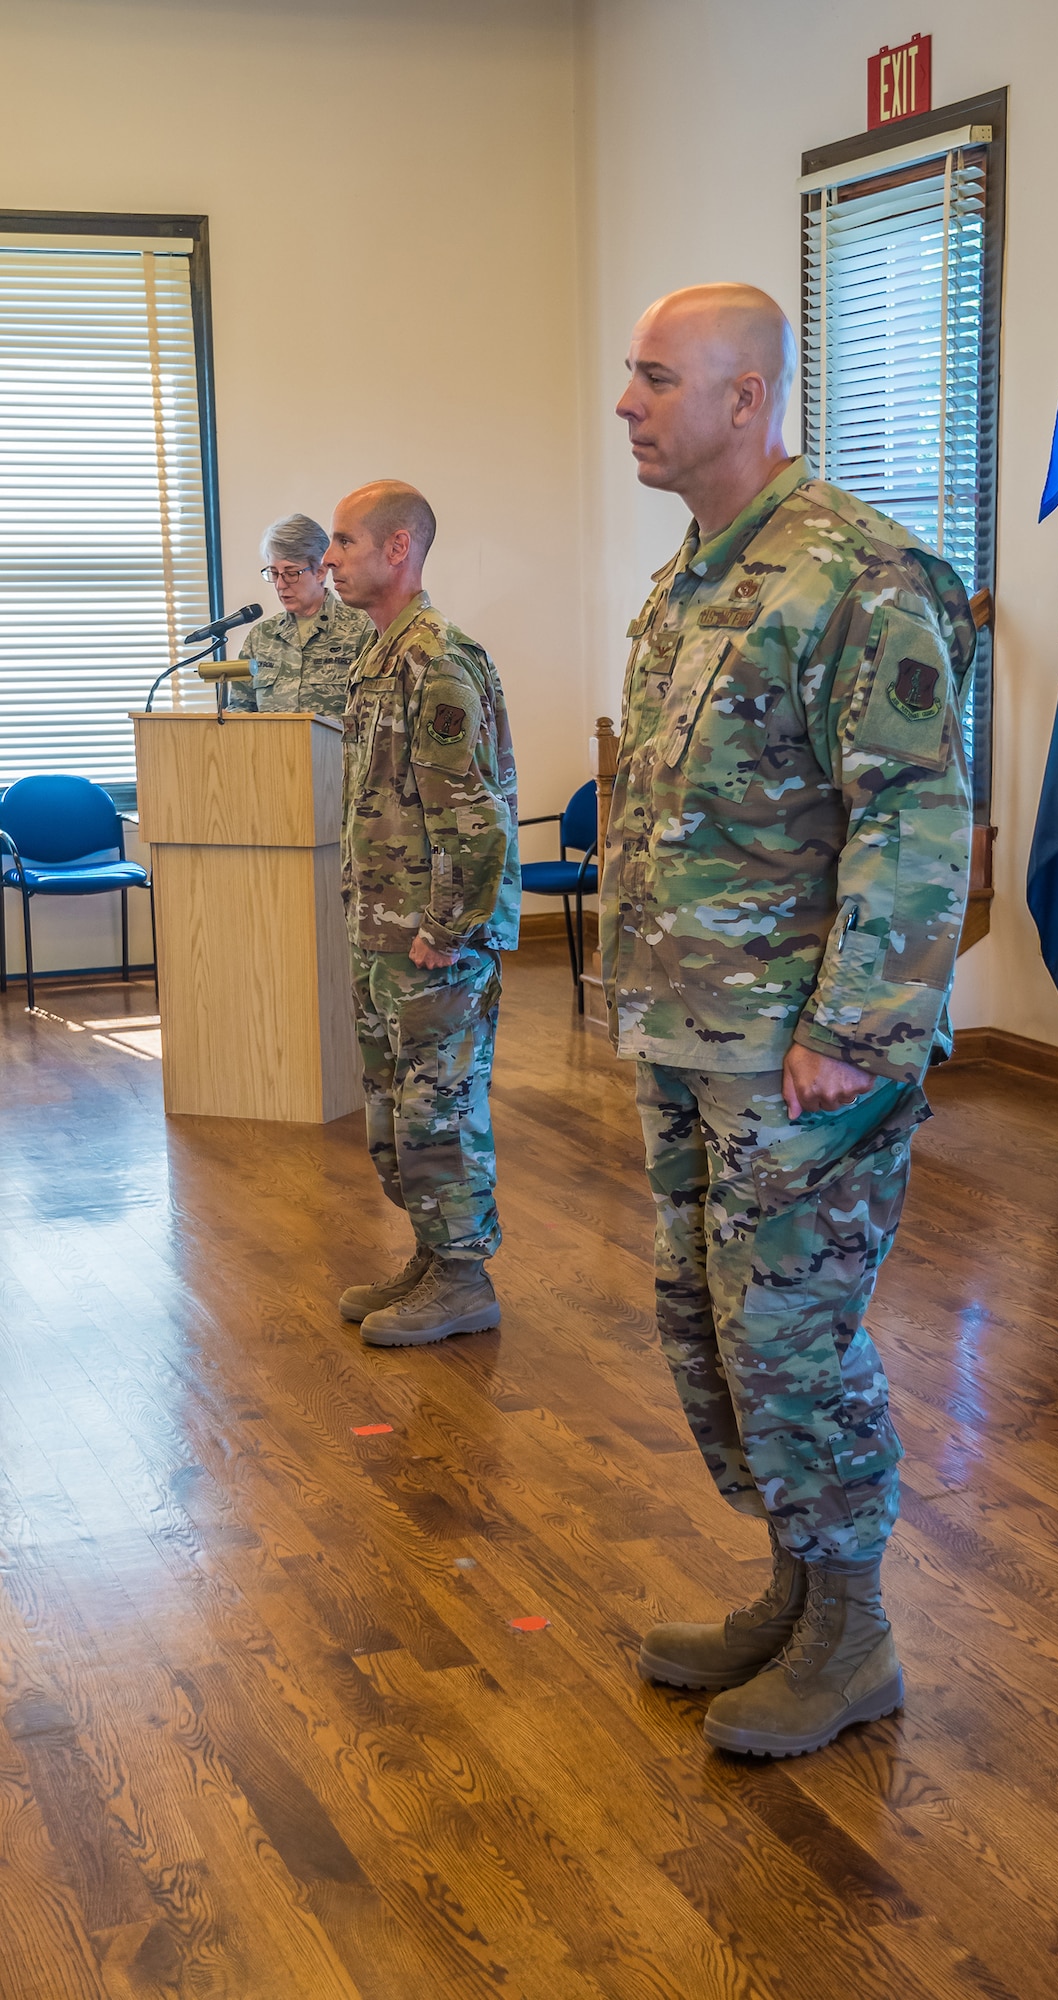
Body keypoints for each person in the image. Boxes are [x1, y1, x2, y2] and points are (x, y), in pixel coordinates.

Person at [602, 283, 976, 1757]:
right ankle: (797, 1592)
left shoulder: (861, 576)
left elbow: (918, 820)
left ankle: (855, 1637)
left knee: (795, 1338)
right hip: (691, 1032)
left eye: (652, 377)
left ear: (744, 399)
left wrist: (855, 1030)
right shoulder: (694, 574)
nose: (625, 403)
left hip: (800, 1055)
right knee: (709, 1327)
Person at [325, 480, 520, 1346]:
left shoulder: (438, 658)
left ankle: (464, 1279)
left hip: (432, 943)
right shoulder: (379, 654)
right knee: (393, 1113)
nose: (328, 559)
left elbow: (473, 816)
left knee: (436, 1113)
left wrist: (446, 930)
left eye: (343, 542)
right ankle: (433, 1255)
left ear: (397, 549)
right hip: (385, 934)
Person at [229, 513, 372, 714]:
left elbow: (371, 716)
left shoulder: (361, 630)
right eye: (274, 573)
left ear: (320, 571)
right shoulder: (261, 637)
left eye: (290, 573)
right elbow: (240, 708)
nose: (280, 585)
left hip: (331, 746)